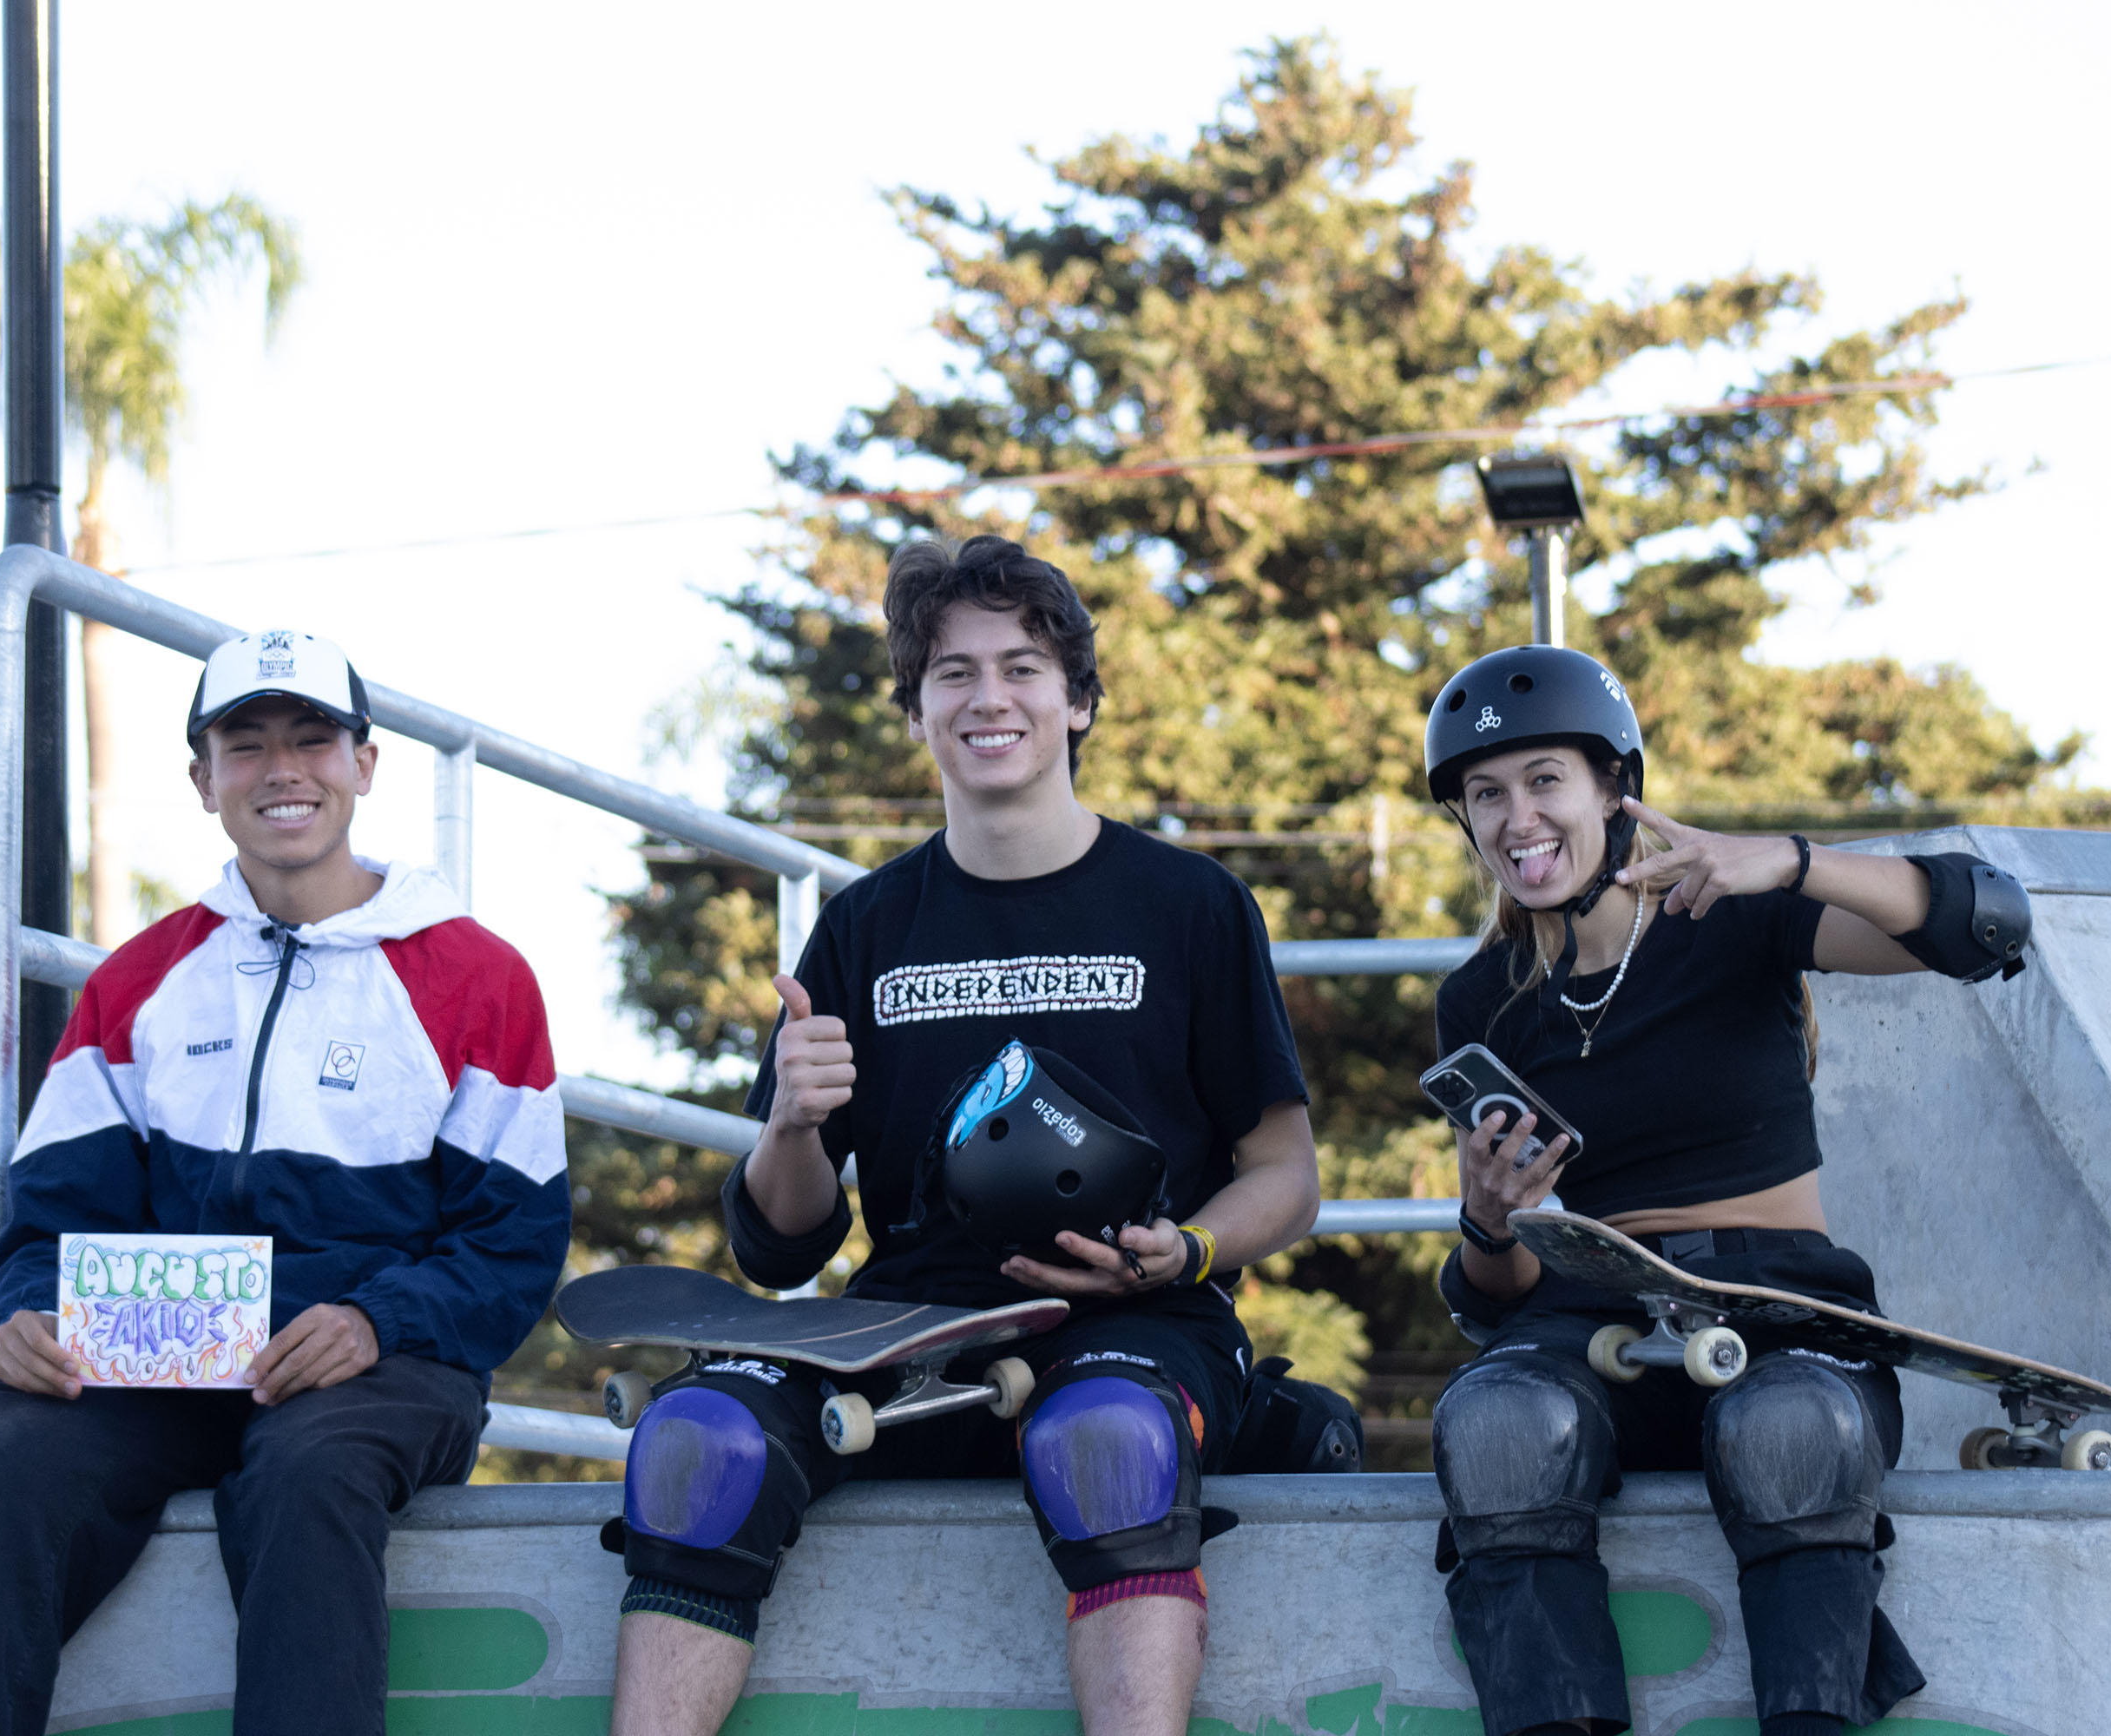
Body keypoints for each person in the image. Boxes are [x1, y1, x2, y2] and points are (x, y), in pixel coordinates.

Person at [602, 536, 1323, 1736]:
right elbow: (780, 1251)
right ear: (918, 709)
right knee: (696, 1439)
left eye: (1025, 667)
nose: (990, 697)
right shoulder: (863, 925)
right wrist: (789, 1121)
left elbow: (1286, 1176)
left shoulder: (1191, 904)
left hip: (1137, 1321)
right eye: (953, 673)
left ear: (1079, 699)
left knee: (1107, 1443)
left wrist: (1183, 1251)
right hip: (912, 1331)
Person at [0, 630, 570, 1736]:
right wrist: (22, 1314)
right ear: (203, 780)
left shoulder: (478, 977)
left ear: (365, 763)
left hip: (378, 1362)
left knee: (307, 1477)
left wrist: (375, 1317)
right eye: (244, 745)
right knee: (0, 1465)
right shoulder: (139, 980)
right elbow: (49, 1224)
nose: (282, 769)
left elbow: (514, 1244)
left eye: (312, 739)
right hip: (159, 1357)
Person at [1418, 645, 2030, 1736]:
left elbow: (1983, 925)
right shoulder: (1482, 1000)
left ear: (1615, 787)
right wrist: (1490, 1217)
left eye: (1546, 779)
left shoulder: (1731, 916)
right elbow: (1497, 1296)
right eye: (1486, 794)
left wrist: (1789, 862)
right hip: (1592, 1319)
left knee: (1795, 1426)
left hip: (1778, 1301)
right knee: (1499, 1423)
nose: (1519, 818)